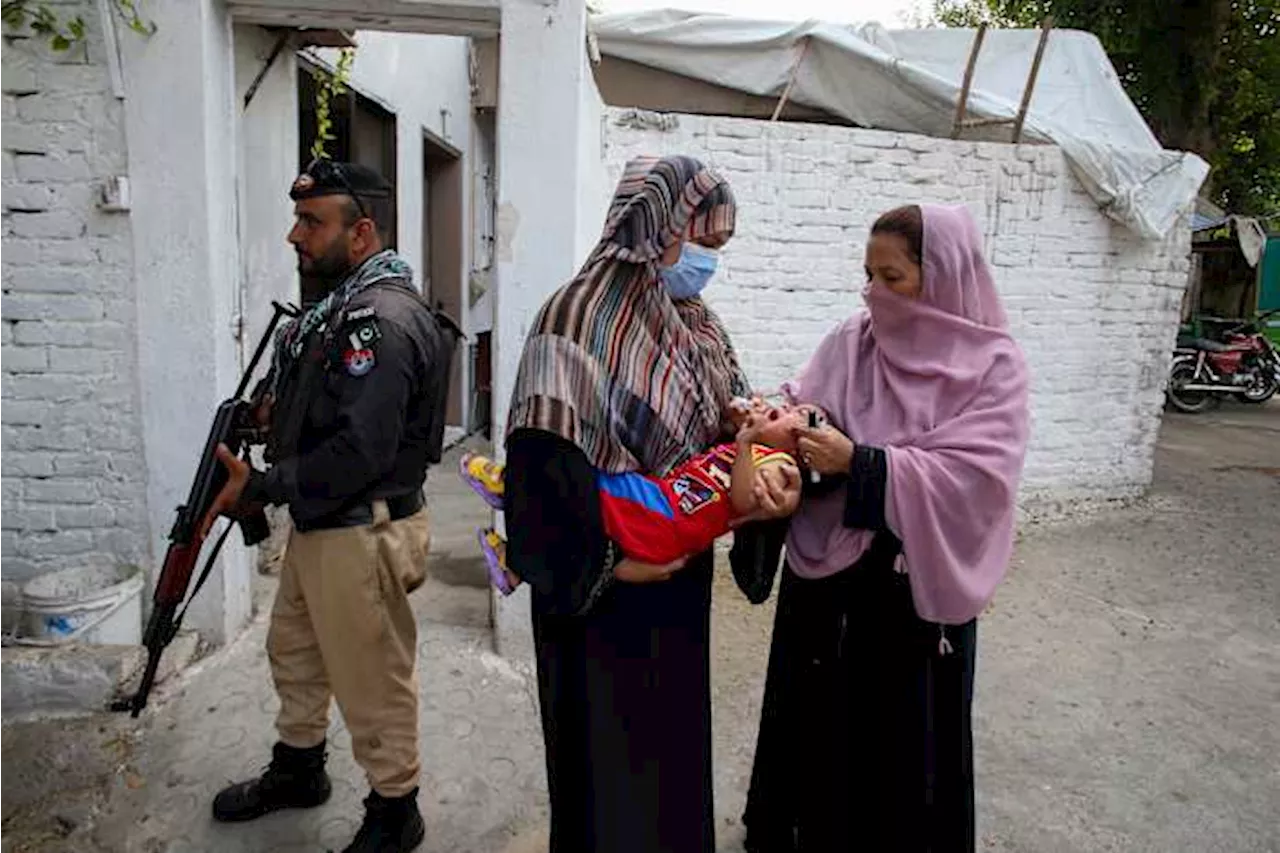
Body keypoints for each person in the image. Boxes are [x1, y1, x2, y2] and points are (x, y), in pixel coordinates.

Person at [503, 154, 802, 853]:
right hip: (598, 598)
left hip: (675, 584)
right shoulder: (573, 317)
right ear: (657, 227)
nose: (707, 262)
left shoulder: (694, 322)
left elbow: (730, 419)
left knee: (667, 759)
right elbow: (540, 469)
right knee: (603, 773)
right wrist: (607, 565)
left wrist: (759, 460)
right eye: (703, 241)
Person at [742, 204, 1031, 852]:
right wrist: (785, 422)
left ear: (943, 278)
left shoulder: (994, 368)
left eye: (892, 276)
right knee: (820, 726)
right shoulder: (854, 337)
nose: (873, 292)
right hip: (828, 582)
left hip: (912, 597)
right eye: (868, 274)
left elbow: (979, 485)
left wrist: (863, 463)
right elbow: (806, 398)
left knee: (900, 747)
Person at [200, 159, 461, 853]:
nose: (295, 235)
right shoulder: (338, 310)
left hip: (360, 528)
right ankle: (299, 768)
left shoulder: (380, 320)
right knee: (297, 653)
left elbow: (360, 451)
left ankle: (394, 810)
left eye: (312, 222)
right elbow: (328, 409)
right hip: (325, 524)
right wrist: (273, 416)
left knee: (372, 678)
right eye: (298, 219)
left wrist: (262, 487)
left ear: (362, 231)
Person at [459, 400, 822, 595]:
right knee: (583, 503)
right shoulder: (757, 448)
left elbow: (743, 501)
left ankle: (510, 487)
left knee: (583, 483)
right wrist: (739, 423)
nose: (788, 408)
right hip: (662, 505)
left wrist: (744, 443)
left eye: (800, 418)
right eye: (792, 406)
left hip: (664, 518)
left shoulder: (779, 466)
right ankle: (517, 567)